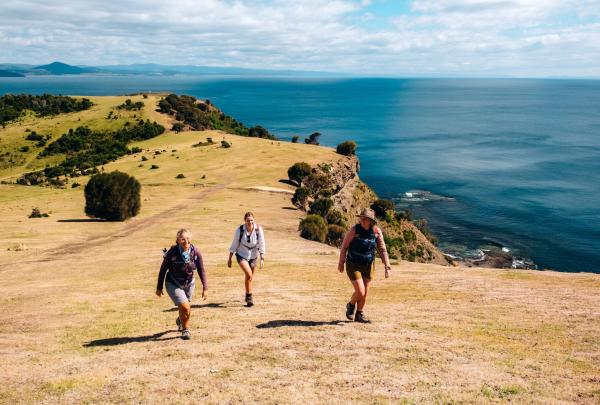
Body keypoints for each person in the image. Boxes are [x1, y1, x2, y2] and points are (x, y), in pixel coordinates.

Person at [338, 208, 392, 323]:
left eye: (365, 218)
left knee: (365, 293)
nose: (362, 220)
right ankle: (351, 305)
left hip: (368, 265)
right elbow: (344, 247)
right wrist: (341, 262)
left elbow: (382, 250)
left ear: (370, 221)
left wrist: (387, 266)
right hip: (353, 264)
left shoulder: (376, 232)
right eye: (361, 218)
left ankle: (359, 314)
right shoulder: (354, 230)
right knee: (360, 292)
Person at [156, 228, 207, 340]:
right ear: (178, 240)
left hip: (189, 284)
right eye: (183, 239)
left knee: (185, 309)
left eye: (188, 238)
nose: (186, 241)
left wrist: (205, 287)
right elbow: (163, 269)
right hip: (173, 283)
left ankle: (180, 320)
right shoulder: (172, 252)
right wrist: (159, 287)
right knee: (185, 307)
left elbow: (201, 269)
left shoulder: (195, 252)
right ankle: (185, 330)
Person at [228, 212, 266, 307]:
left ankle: (247, 294)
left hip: (253, 255)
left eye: (251, 220)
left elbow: (262, 243)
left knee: (249, 277)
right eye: (248, 220)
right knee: (249, 274)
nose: (250, 222)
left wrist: (262, 258)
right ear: (245, 221)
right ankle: (249, 298)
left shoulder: (258, 229)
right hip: (241, 254)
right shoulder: (239, 230)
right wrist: (230, 258)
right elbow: (234, 244)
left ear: (254, 220)